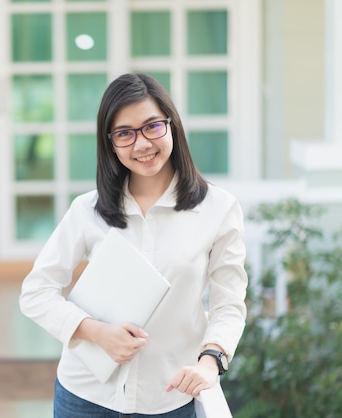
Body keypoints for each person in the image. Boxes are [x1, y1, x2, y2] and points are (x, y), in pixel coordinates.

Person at [19, 72, 248, 417]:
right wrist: (96, 332)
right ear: (110, 143)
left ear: (172, 126)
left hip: (168, 397)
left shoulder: (218, 209)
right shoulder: (87, 210)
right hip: (84, 397)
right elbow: (36, 292)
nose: (142, 144)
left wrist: (210, 362)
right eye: (125, 134)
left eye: (152, 126)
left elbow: (228, 304)